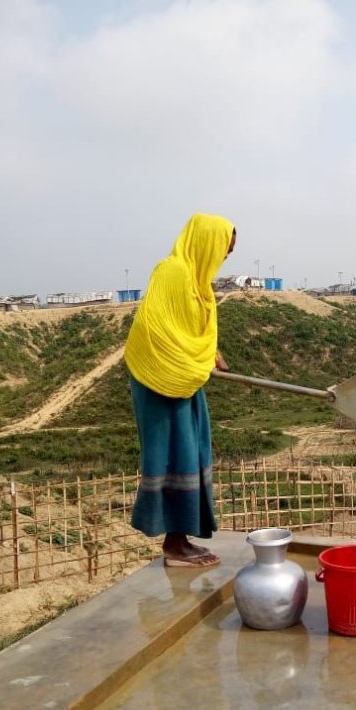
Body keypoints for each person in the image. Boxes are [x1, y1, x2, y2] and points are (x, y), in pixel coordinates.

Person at [124, 213, 236, 567]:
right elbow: (156, 328)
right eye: (222, 251)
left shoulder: (197, 281)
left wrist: (210, 354)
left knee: (194, 452)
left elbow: (187, 327)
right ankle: (173, 547)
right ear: (205, 244)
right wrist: (195, 363)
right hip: (159, 376)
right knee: (172, 455)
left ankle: (180, 540)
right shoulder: (172, 272)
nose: (222, 260)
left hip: (184, 376)